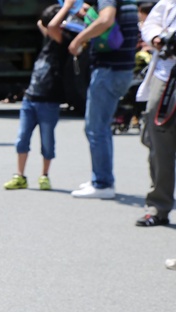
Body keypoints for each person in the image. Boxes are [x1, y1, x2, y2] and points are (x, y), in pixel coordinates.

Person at [66, 0, 140, 198]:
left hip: (108, 70)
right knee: (101, 127)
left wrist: (78, 39)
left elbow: (106, 20)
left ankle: (103, 184)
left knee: (95, 128)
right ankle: (101, 178)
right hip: (121, 70)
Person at [4, 4, 77, 190]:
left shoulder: (65, 40)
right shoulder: (50, 40)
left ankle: (45, 175)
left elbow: (52, 27)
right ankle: (20, 175)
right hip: (30, 98)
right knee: (22, 138)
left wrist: (68, 6)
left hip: (49, 101)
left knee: (47, 141)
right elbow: (42, 24)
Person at [135, 0, 176, 225]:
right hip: (166, 75)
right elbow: (149, 24)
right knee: (159, 143)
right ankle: (158, 206)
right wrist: (158, 39)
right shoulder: (168, 3)